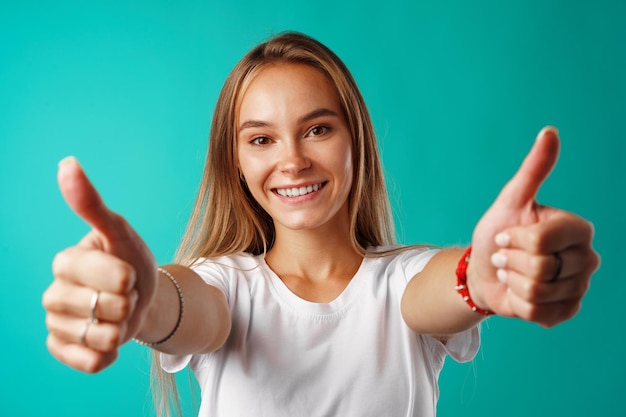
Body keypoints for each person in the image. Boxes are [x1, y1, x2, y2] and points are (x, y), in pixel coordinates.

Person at [43, 32, 599, 417]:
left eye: (317, 129)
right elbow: (185, 310)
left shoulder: (401, 283)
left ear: (355, 140)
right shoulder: (225, 286)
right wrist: (142, 298)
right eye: (261, 139)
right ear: (235, 162)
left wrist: (487, 272)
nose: (292, 160)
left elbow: (453, 284)